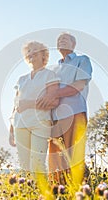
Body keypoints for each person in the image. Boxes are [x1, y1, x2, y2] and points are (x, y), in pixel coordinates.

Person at [37, 32, 93, 184]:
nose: (61, 41)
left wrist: (54, 94)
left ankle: (82, 190)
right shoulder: (52, 70)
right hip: (54, 118)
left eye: (65, 39)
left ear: (73, 44)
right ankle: (59, 192)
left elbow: (78, 85)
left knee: (73, 155)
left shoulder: (82, 60)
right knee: (56, 159)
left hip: (74, 112)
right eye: (59, 39)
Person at [9, 41, 59, 174]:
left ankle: (42, 194)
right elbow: (16, 105)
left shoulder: (50, 75)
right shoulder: (21, 79)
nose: (31, 53)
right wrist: (11, 130)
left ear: (44, 55)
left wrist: (28, 103)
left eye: (35, 50)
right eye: (29, 51)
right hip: (20, 124)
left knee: (37, 164)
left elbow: (54, 102)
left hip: (40, 124)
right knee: (24, 166)